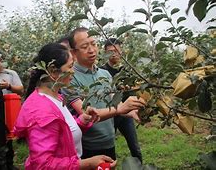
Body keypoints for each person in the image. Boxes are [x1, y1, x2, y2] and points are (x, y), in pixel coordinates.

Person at [14, 43, 116, 170]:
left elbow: (60, 133)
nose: (73, 71)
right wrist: (87, 163)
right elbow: (43, 165)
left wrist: (82, 121)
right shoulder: (41, 112)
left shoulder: (56, 97)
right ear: (52, 71)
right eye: (70, 66)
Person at [62, 27, 146, 160]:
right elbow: (88, 114)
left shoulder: (105, 74)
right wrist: (120, 109)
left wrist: (131, 110)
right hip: (86, 147)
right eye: (84, 46)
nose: (91, 50)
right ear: (73, 52)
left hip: (109, 142)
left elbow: (114, 103)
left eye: (94, 44)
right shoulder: (70, 78)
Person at [100, 38, 142, 162]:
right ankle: (108, 165)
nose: (114, 53)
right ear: (105, 52)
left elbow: (134, 91)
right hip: (110, 114)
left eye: (117, 50)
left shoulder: (127, 70)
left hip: (126, 114)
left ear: (121, 51)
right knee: (107, 147)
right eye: (111, 51)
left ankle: (139, 165)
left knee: (134, 146)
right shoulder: (102, 71)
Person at [0, 51, 24, 170]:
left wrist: (9, 86)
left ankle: (9, 164)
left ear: (1, 61)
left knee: (8, 138)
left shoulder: (11, 74)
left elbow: (21, 90)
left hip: (8, 111)